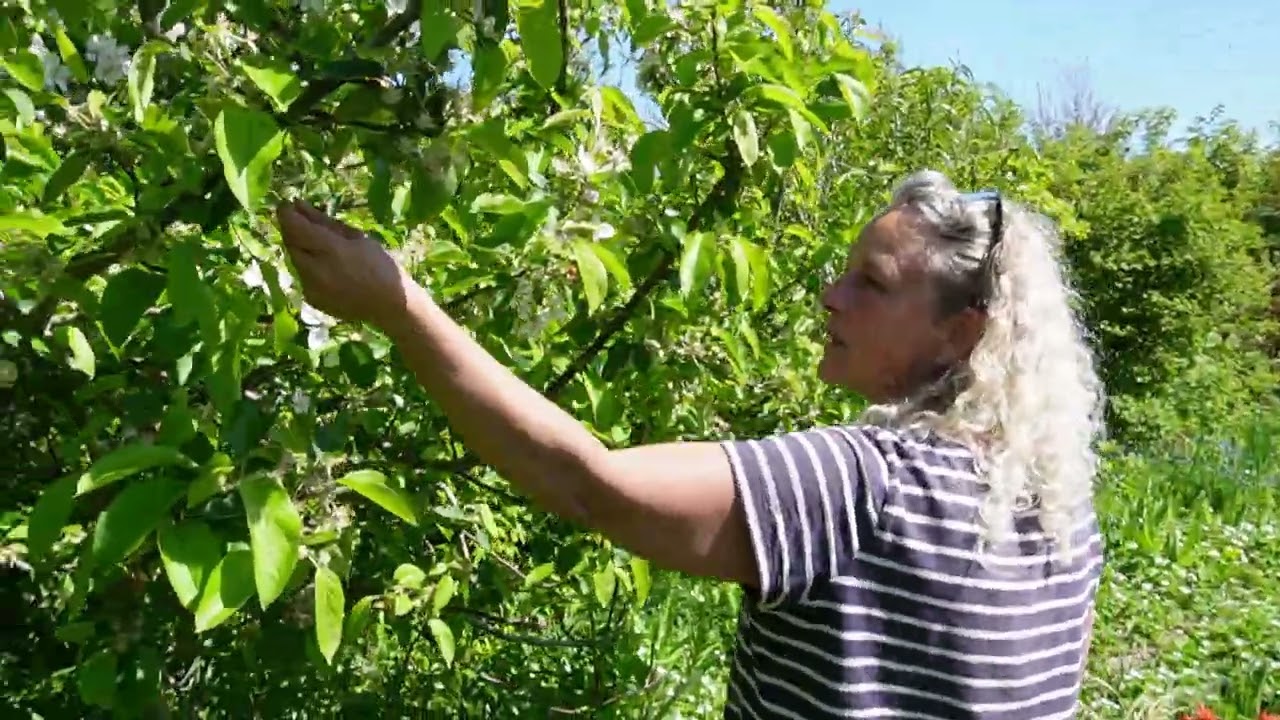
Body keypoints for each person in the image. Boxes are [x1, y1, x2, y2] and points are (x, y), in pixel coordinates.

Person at [274, 168, 1106, 720]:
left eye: (872, 284)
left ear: (960, 334)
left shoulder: (866, 485)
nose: (829, 294)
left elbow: (590, 485)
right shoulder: (1060, 514)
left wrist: (401, 308)